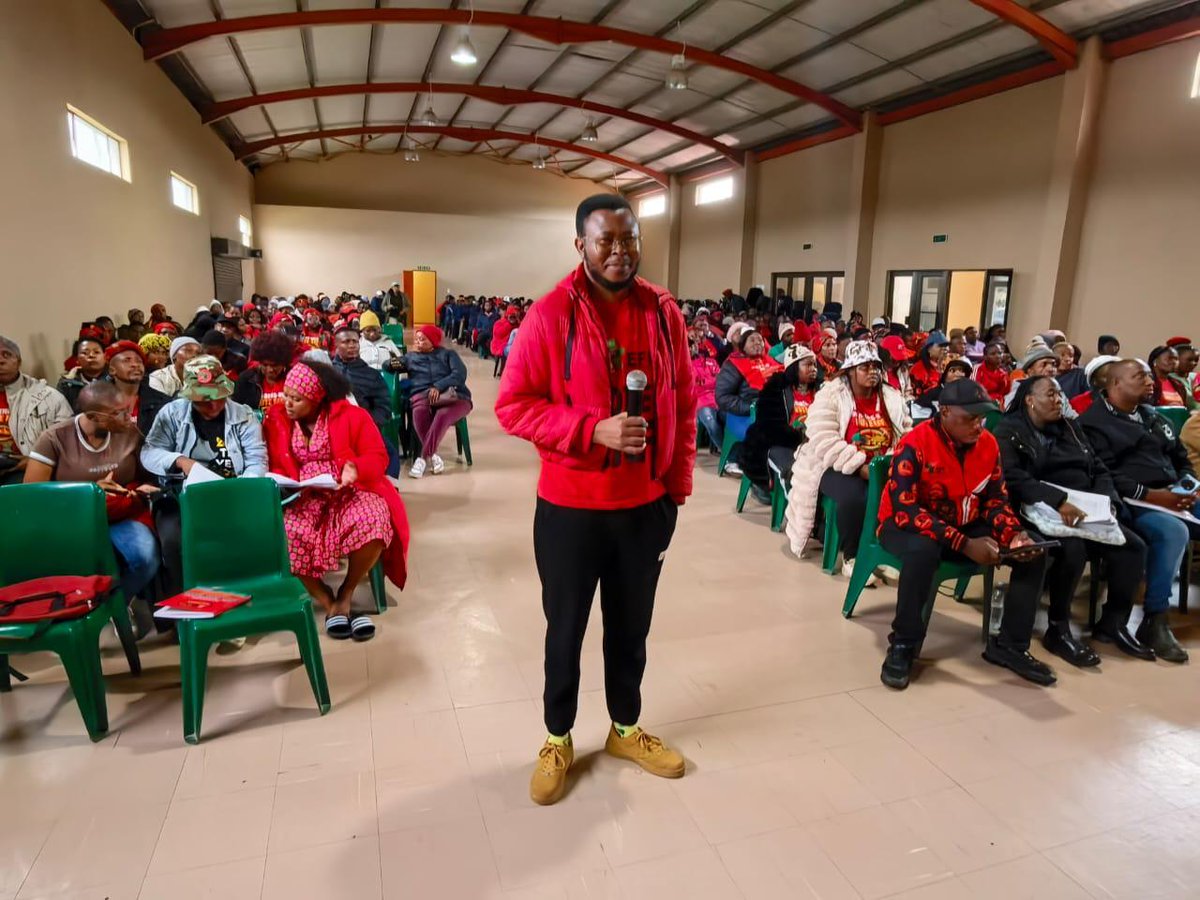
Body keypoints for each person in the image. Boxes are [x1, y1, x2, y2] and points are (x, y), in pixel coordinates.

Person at [495, 193, 695, 807]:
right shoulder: (552, 314)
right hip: (571, 509)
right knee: (567, 630)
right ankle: (558, 738)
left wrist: (675, 490)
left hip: (644, 507)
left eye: (629, 239)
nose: (619, 251)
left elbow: (685, 401)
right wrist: (591, 429)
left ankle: (624, 730)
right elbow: (512, 406)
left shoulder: (663, 313)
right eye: (605, 239)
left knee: (631, 629)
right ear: (579, 243)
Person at [877, 378, 1053, 688]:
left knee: (1033, 550)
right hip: (904, 524)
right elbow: (905, 510)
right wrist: (965, 544)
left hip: (963, 520)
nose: (978, 425)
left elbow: (996, 500)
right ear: (944, 412)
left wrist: (1013, 534)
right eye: (969, 418)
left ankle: (1010, 646)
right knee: (922, 553)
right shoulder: (914, 444)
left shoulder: (987, 444)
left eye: (981, 418)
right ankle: (903, 643)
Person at [995, 376, 1153, 664]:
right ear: (1030, 399)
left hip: (1086, 510)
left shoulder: (1071, 427)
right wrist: (1057, 500)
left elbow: (1099, 469)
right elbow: (1014, 478)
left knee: (1134, 547)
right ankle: (1058, 627)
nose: (1059, 400)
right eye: (1051, 395)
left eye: (1059, 395)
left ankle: (1113, 623)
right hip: (1038, 510)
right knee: (1072, 549)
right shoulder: (1011, 430)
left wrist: (1108, 503)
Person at [263, 362, 410, 642]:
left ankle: (346, 592)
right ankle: (328, 602)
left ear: (317, 397)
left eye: (297, 399)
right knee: (285, 533)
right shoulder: (277, 418)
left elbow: (378, 456)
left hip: (349, 489)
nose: (288, 404)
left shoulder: (352, 416)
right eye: (286, 396)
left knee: (372, 519)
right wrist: (285, 482)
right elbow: (272, 462)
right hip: (303, 495)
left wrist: (355, 467)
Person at [1079, 360, 1198, 663]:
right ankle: (1154, 618)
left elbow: (1179, 456)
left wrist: (1188, 484)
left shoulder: (1152, 416)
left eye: (1148, 375)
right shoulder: (1094, 423)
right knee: (1173, 532)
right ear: (1115, 384)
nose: (1149, 381)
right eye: (1139, 376)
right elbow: (1104, 473)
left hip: (1172, 493)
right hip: (1135, 501)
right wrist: (1155, 496)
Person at [24, 381, 160, 618]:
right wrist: (91, 491)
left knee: (145, 557)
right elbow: (32, 496)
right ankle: (91, 611)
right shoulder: (55, 438)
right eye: (119, 413)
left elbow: (147, 475)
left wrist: (141, 489)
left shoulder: (129, 433)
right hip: (73, 519)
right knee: (74, 565)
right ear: (93, 416)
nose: (128, 417)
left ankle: (111, 609)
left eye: (128, 409)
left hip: (121, 513)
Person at [141, 356, 268, 597]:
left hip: (232, 491)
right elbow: (150, 451)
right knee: (173, 541)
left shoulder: (244, 415)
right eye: (202, 401)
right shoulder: (172, 414)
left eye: (218, 399)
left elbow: (256, 461)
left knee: (242, 533)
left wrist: (240, 491)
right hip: (182, 494)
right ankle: (186, 601)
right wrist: (179, 461)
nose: (212, 407)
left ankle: (237, 595)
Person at [784, 340, 910, 583]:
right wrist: (859, 466)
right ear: (851, 370)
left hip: (882, 465)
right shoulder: (831, 394)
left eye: (876, 366)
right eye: (865, 367)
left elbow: (905, 433)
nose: (873, 371)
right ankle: (852, 558)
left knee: (901, 493)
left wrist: (892, 463)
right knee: (857, 497)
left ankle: (882, 552)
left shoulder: (891, 397)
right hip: (835, 465)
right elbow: (823, 438)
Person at [742, 342, 819, 502]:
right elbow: (770, 426)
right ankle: (796, 511)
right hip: (782, 443)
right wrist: (799, 437)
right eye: (807, 365)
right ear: (793, 367)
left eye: (814, 365)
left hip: (814, 444)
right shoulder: (775, 388)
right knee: (794, 472)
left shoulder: (821, 389)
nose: (813, 369)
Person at [393, 325, 471, 479]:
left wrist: (438, 386)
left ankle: (422, 459)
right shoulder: (410, 358)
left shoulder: (448, 354)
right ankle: (434, 456)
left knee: (442, 415)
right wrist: (394, 363)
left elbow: (459, 374)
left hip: (454, 396)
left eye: (422, 339)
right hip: (423, 397)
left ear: (433, 341)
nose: (418, 342)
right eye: (416, 339)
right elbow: (388, 365)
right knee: (418, 411)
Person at [714, 326, 783, 475]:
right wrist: (751, 407)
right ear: (743, 345)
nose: (757, 343)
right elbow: (722, 397)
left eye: (760, 340)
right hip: (744, 414)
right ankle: (760, 480)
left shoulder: (772, 362)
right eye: (752, 340)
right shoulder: (733, 364)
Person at [104, 341, 170, 436]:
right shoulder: (98, 402)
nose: (135, 365)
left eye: (139, 361)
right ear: (112, 370)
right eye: (127, 360)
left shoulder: (162, 402)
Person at [233, 330, 294, 414]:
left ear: (284, 362)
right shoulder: (246, 379)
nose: (270, 370)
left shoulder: (294, 377)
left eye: (275, 365)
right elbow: (237, 410)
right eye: (265, 365)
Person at [690, 326, 723, 451]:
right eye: (691, 342)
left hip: (718, 399)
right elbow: (692, 386)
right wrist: (711, 382)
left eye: (697, 342)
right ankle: (729, 457)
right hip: (700, 402)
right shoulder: (683, 365)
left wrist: (705, 383)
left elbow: (720, 381)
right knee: (711, 423)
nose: (695, 345)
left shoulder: (711, 362)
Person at [57, 337, 108, 410]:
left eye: (96, 352)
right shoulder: (66, 383)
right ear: (77, 359)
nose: (91, 355)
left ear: (105, 357)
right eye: (85, 353)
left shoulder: (114, 380)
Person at [1148, 345, 1197, 410]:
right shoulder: (1148, 382)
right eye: (1169, 358)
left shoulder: (1178, 384)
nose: (1174, 362)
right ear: (1155, 361)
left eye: (1176, 359)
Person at [973, 341, 1011, 408]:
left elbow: (1005, 394)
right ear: (985, 357)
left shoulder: (1003, 373)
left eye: (1000, 353)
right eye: (993, 354)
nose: (998, 356)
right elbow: (973, 392)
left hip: (997, 406)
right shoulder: (977, 369)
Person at [909, 331, 947, 396]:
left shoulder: (946, 366)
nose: (944, 349)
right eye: (940, 346)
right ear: (929, 349)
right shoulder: (918, 368)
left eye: (945, 346)